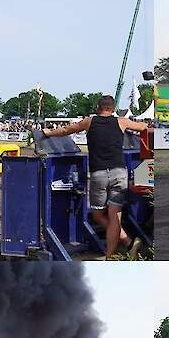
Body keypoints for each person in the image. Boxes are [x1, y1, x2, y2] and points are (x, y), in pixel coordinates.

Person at [42, 95, 147, 259]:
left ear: (99, 107)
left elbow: (66, 130)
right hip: (120, 172)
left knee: (98, 215)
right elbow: (143, 127)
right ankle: (116, 251)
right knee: (115, 217)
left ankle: (125, 243)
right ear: (113, 109)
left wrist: (48, 132)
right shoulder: (122, 122)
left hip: (99, 174)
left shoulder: (89, 121)